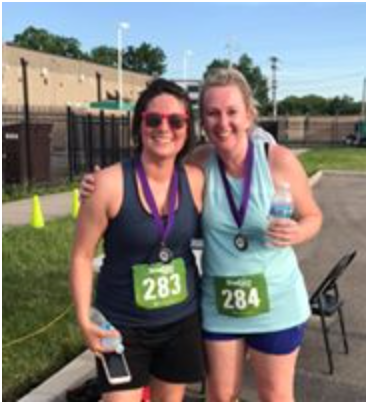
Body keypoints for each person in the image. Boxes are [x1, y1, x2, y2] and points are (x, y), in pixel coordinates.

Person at [80, 68, 322, 402]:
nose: (223, 122)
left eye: (232, 112)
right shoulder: (199, 165)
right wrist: (98, 184)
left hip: (276, 302)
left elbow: (313, 216)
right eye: (212, 113)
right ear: (203, 122)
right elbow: (155, 166)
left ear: (249, 115)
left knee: (275, 396)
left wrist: (297, 231)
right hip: (219, 306)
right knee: (220, 397)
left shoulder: (278, 161)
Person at [70, 79, 205, 402]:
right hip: (121, 328)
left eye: (176, 121)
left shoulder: (197, 180)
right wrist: (83, 318)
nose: (164, 128)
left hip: (181, 322)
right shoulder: (107, 184)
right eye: (153, 119)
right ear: (139, 124)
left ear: (187, 128)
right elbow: (81, 256)